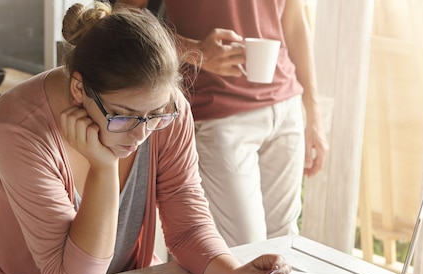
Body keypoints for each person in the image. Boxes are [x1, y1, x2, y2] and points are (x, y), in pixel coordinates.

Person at [0, 2, 291, 274]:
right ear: (78, 89)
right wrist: (104, 165)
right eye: (124, 115)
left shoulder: (169, 113)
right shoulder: (18, 126)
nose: (142, 133)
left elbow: (186, 223)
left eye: (156, 113)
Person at [120, 0, 329, 247]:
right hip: (219, 115)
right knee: (245, 248)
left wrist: (312, 110)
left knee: (286, 241)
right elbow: (126, 17)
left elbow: (294, 18)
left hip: (286, 108)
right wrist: (195, 50)